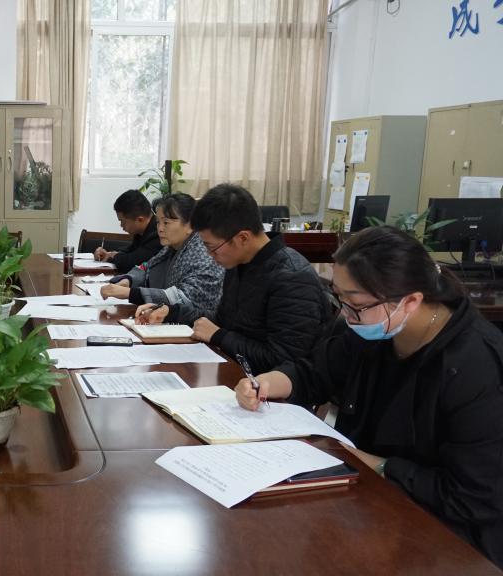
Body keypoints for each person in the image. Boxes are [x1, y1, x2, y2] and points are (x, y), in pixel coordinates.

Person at [234, 226, 503, 567]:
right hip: (365, 498)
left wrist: (373, 462)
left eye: (356, 305)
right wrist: (268, 383)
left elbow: (472, 497)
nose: (346, 316)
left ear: (411, 301)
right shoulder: (373, 328)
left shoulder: (476, 366)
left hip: (446, 536)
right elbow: (314, 372)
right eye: (340, 300)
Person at [135, 184, 332, 373]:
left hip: (267, 389)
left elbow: (284, 361)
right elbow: (223, 320)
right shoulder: (239, 262)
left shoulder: (291, 278)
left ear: (243, 238)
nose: (209, 255)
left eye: (212, 247)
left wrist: (219, 336)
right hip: (236, 374)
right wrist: (171, 312)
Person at [101, 193, 223, 315]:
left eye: (166, 223)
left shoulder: (204, 254)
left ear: (190, 225)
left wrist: (130, 293)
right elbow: (147, 267)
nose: (160, 228)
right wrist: (129, 280)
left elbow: (184, 298)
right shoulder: (171, 247)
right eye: (158, 222)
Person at [93, 189, 162, 274]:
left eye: (122, 221)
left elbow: (131, 263)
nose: (121, 225)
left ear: (139, 220)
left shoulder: (158, 234)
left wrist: (113, 256)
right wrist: (108, 253)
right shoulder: (141, 231)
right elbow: (130, 250)